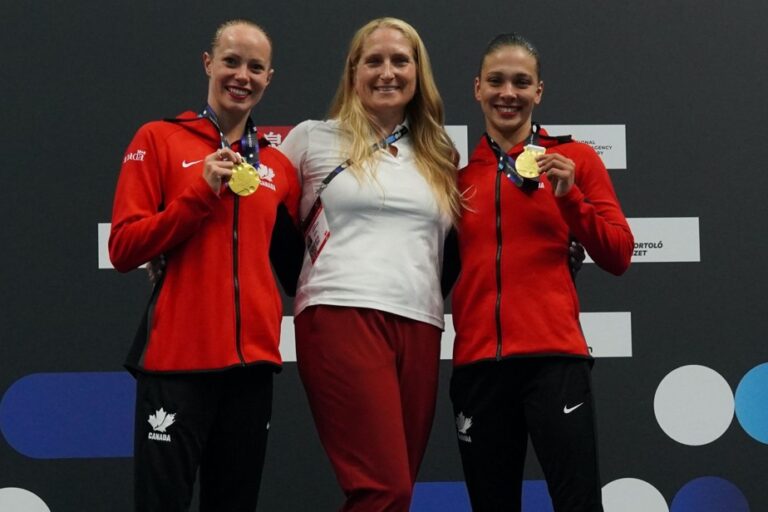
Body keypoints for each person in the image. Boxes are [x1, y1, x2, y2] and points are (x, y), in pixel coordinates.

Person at [108, 20, 300, 512]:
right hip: (176, 362)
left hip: (251, 368)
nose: (242, 75)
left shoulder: (276, 166)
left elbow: (299, 264)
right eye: (231, 61)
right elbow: (125, 248)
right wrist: (199, 196)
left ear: (269, 78)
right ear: (208, 63)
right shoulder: (159, 138)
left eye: (255, 67)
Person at [278, 17, 459, 512]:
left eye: (401, 60)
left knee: (395, 492)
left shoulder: (440, 152)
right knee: (383, 489)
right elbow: (252, 215)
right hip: (341, 312)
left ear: (418, 72)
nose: (387, 72)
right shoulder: (311, 139)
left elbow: (463, 245)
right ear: (352, 71)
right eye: (373, 60)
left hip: (421, 322)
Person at [449, 33, 634, 512]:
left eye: (520, 82)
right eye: (496, 80)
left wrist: (570, 196)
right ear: (477, 88)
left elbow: (619, 254)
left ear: (539, 92)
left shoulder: (576, 159)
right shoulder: (458, 178)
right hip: (478, 367)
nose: (507, 92)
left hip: (555, 361)